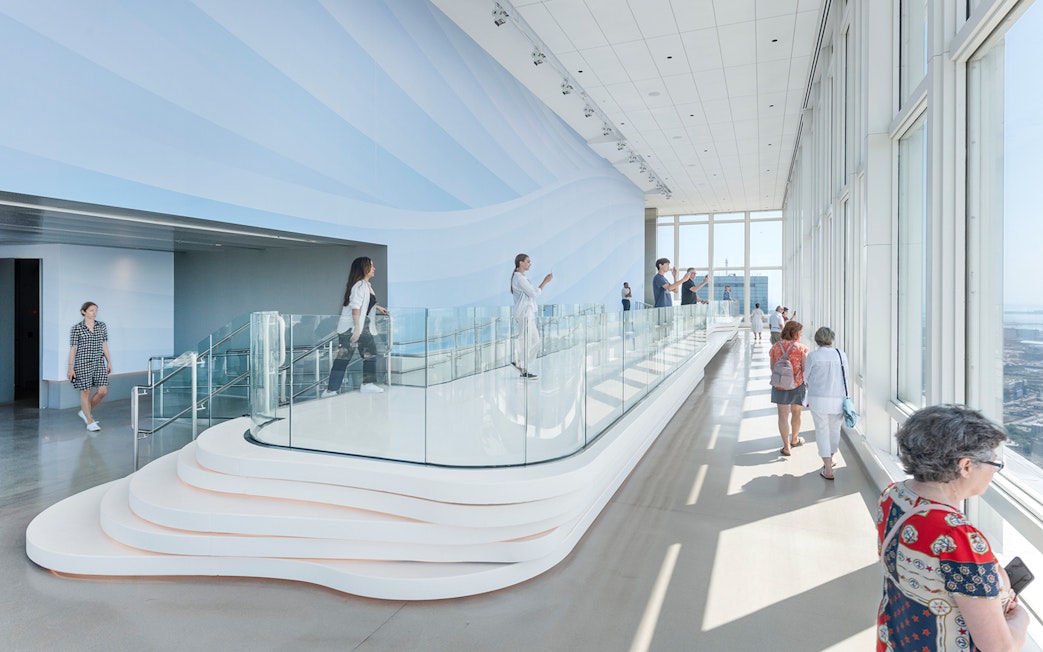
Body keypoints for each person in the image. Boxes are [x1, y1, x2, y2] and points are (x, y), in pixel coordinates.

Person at [877, 404, 1028, 651]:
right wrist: (1021, 619)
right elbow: (1000, 648)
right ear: (966, 466)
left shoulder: (893, 496)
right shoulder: (957, 537)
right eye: (993, 463)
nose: (993, 472)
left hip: (899, 638)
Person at [322, 257, 390, 396]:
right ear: (364, 268)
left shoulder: (366, 286)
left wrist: (378, 307)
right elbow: (355, 308)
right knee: (344, 358)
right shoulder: (359, 286)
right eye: (371, 266)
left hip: (362, 328)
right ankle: (331, 390)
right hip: (352, 330)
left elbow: (365, 304)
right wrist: (357, 329)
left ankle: (366, 384)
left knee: (370, 355)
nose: (374, 269)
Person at [804, 327, 848, 479]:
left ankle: (828, 467)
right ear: (831, 338)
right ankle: (831, 456)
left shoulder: (813, 356)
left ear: (817, 340)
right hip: (837, 399)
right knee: (835, 430)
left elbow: (805, 377)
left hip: (818, 399)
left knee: (822, 430)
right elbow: (846, 378)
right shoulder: (841, 354)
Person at [68, 301, 112, 432]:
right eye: (92, 310)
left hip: (99, 362)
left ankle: (85, 411)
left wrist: (108, 361)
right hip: (83, 362)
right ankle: (90, 421)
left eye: (96, 310)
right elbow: (73, 349)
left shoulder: (101, 326)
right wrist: (70, 367)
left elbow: (104, 344)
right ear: (84, 312)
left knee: (102, 391)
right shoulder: (76, 328)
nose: (95, 313)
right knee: (86, 391)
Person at [769, 320, 807, 456]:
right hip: (796, 385)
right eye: (800, 332)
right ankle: (795, 439)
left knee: (782, 415)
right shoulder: (801, 348)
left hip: (780, 386)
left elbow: (772, 368)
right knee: (796, 413)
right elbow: (804, 369)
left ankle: (786, 447)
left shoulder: (775, 347)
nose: (801, 334)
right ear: (794, 332)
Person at [511, 253, 552, 379]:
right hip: (524, 313)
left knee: (535, 341)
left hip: (528, 313)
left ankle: (519, 363)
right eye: (528, 261)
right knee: (527, 341)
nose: (530, 264)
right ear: (520, 263)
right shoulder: (519, 278)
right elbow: (533, 293)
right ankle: (522, 368)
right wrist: (545, 281)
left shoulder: (521, 277)